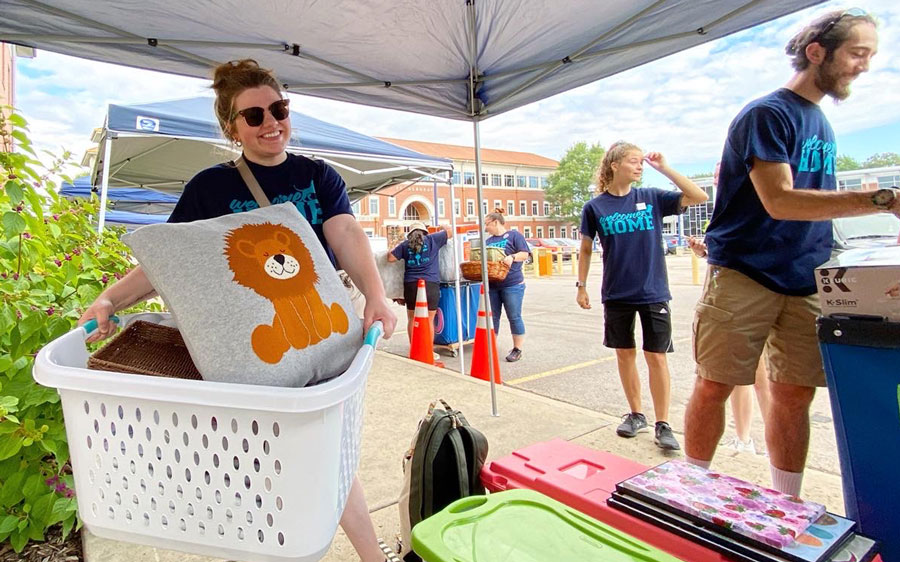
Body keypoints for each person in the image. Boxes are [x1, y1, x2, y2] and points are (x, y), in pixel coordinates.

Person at [78, 59, 397, 562]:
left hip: (321, 337)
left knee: (330, 450)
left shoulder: (318, 176)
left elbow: (346, 234)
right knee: (259, 463)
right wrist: (110, 299)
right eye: (254, 116)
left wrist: (376, 295)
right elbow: (169, 260)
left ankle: (371, 556)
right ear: (232, 128)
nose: (271, 122)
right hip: (249, 352)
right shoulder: (209, 188)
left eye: (279, 108)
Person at [683, 10, 896, 497]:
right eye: (857, 53)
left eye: (871, 56)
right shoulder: (768, 113)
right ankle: (689, 489)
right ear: (817, 52)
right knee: (715, 383)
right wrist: (882, 200)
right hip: (744, 272)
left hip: (809, 276)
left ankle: (787, 501)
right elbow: (779, 200)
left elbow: (819, 203)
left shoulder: (821, 123)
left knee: (795, 394)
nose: (864, 66)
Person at [577, 143, 708, 451]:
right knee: (625, 355)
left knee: (656, 357)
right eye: (633, 162)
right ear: (614, 165)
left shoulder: (651, 198)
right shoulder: (595, 207)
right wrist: (580, 286)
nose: (640, 167)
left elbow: (699, 196)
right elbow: (584, 249)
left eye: (641, 163)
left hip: (653, 291)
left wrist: (665, 168)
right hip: (617, 293)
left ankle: (663, 423)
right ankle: (636, 414)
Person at [688, 236, 770, 454]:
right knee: (737, 376)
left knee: (768, 381)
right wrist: (704, 252)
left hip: (760, 292)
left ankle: (771, 445)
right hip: (732, 297)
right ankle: (744, 440)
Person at [387, 221, 452, 345]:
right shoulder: (433, 239)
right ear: (424, 232)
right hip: (430, 284)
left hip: (411, 285)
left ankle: (414, 349)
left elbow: (390, 258)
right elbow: (450, 231)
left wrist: (394, 246)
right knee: (429, 319)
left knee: (412, 318)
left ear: (410, 234)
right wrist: (442, 226)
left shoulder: (405, 245)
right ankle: (428, 350)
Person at [483, 212, 530, 362]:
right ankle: (490, 347)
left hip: (512, 284)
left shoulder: (514, 236)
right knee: (493, 317)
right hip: (493, 284)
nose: (486, 228)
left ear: (496, 222)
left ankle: (517, 349)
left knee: (514, 316)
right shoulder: (488, 241)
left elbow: (525, 254)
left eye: (487, 224)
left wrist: (513, 257)